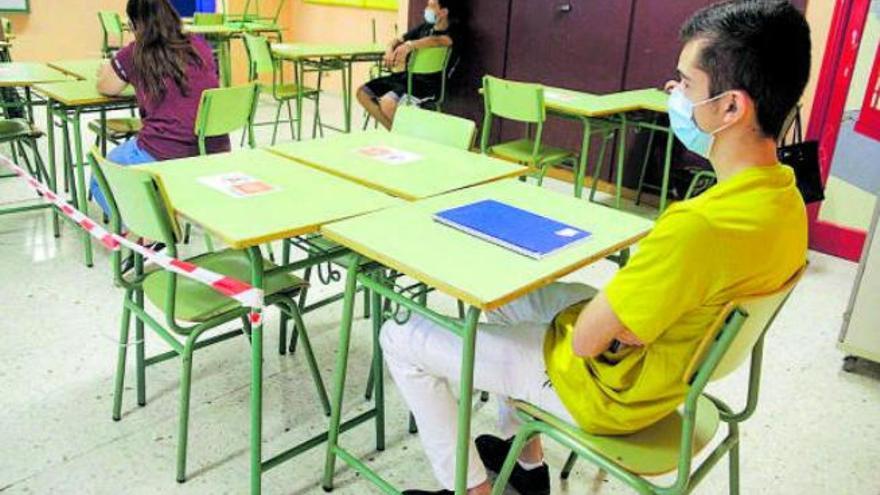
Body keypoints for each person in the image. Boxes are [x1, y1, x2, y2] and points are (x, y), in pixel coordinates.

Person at [379, 1, 813, 494]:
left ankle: (474, 491)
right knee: (505, 298)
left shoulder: (697, 225)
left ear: (731, 107)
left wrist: (617, 324)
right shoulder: (785, 200)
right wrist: (631, 323)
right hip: (671, 372)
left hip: (613, 392)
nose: (672, 93)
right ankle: (527, 463)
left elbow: (586, 342)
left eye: (685, 84)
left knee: (402, 338)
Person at [91, 0, 230, 214]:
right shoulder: (198, 44)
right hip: (214, 148)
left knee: (100, 176)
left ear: (136, 24)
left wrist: (106, 68)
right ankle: (159, 214)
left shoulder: (135, 52)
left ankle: (145, 230)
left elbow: (106, 86)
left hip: (166, 149)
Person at [356, 0, 460, 130]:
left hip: (427, 85)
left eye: (432, 6)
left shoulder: (454, 32)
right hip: (405, 78)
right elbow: (397, 40)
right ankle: (395, 132)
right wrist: (390, 49)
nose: (427, 9)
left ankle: (403, 137)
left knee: (388, 102)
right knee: (362, 93)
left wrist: (409, 45)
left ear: (444, 12)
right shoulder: (424, 27)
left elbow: (438, 40)